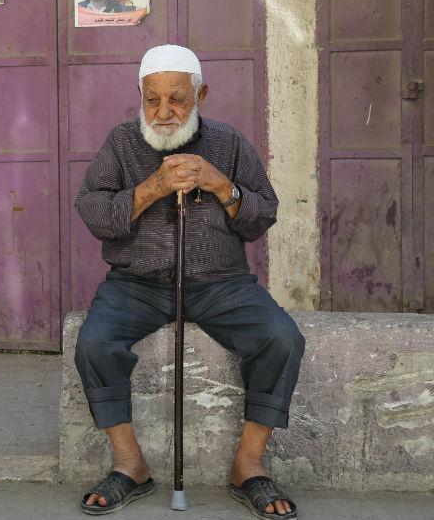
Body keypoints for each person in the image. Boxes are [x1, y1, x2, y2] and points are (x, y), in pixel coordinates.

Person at [74, 44, 302, 519]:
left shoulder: (230, 143)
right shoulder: (120, 143)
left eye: (177, 99)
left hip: (221, 282)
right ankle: (130, 465)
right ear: (140, 95)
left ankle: (249, 465)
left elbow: (262, 215)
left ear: (201, 93)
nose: (163, 113)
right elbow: (93, 210)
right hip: (136, 283)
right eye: (151, 99)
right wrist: (151, 189)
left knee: (281, 339)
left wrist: (224, 186)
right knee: (95, 343)